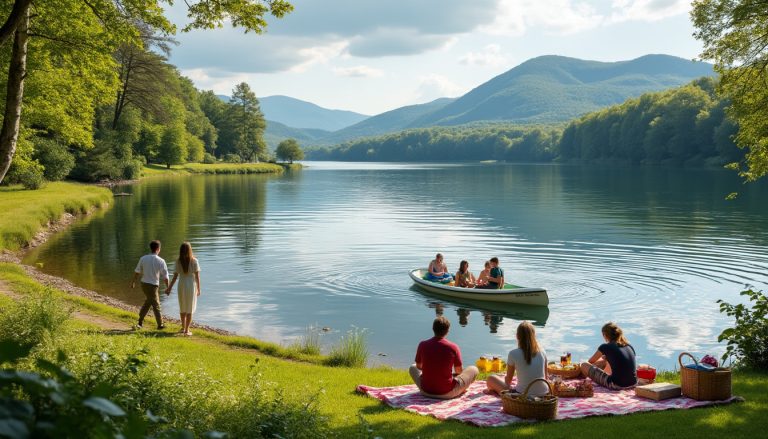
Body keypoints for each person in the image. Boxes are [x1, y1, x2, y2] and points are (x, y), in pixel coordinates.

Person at [409, 316, 479, 399]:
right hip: (447, 393)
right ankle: (461, 389)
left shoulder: (422, 344)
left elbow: (418, 366)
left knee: (412, 367)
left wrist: (431, 370)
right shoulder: (453, 347)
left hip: (426, 391)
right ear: (447, 331)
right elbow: (458, 371)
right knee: (473, 369)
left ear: (433, 329)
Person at [487, 321, 548, 396]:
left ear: (517, 336)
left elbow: (508, 381)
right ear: (534, 336)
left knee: (491, 378)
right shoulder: (543, 352)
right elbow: (546, 378)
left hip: (522, 396)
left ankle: (494, 391)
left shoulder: (513, 353)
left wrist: (505, 384)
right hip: (544, 394)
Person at [579, 322, 638, 390]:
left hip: (617, 384)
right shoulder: (628, 346)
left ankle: (583, 379)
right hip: (633, 383)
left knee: (584, 365)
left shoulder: (605, 347)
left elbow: (591, 361)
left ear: (605, 335)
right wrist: (606, 358)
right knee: (605, 361)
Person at [165, 242, 202, 336]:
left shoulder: (178, 261)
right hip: (191, 285)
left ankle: (183, 327)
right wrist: (199, 289)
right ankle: (187, 330)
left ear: (180, 251)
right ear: (190, 250)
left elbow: (174, 277)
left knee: (183, 306)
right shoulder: (194, 261)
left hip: (181, 285)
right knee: (190, 308)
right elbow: (197, 277)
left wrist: (169, 288)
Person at [131, 240, 169, 330]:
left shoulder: (143, 258)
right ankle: (160, 325)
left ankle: (140, 322)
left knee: (148, 302)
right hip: (153, 286)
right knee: (156, 305)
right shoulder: (161, 261)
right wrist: (168, 287)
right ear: (158, 249)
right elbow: (165, 277)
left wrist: (133, 282)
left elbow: (137, 272)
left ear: (151, 248)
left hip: (144, 284)